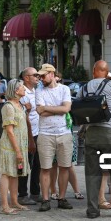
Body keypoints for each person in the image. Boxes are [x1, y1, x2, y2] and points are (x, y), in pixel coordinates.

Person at [77, 60, 111, 219]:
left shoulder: (84, 87)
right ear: (107, 71)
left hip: (92, 133)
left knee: (92, 172)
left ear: (94, 70)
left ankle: (93, 210)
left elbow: (80, 110)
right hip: (110, 133)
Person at [35, 64, 73, 212]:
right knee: (45, 168)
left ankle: (61, 198)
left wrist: (47, 108)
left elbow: (66, 109)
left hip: (64, 133)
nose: (41, 79)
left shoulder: (64, 89)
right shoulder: (39, 91)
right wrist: (59, 110)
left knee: (65, 167)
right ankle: (45, 199)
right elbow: (40, 112)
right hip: (45, 134)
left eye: (43, 76)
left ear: (52, 74)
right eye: (40, 76)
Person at [0, 79, 31, 215]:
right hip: (10, 146)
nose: (24, 89)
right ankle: (4, 205)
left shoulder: (20, 105)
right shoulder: (8, 107)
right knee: (6, 173)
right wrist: (17, 151)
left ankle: (14, 201)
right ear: (16, 91)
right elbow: (10, 131)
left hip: (20, 146)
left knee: (15, 174)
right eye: (22, 87)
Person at [50, 72, 84, 201]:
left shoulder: (64, 92)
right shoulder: (47, 92)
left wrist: (56, 109)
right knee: (53, 165)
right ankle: (53, 191)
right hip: (51, 133)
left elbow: (66, 109)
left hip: (66, 132)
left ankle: (76, 190)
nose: (57, 83)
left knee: (68, 164)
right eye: (56, 81)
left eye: (59, 81)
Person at [17, 67, 41, 205]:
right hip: (26, 134)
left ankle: (35, 192)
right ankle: (22, 194)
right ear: (26, 77)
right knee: (24, 165)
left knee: (38, 164)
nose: (38, 77)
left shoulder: (37, 91)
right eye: (35, 75)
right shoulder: (21, 92)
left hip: (38, 132)